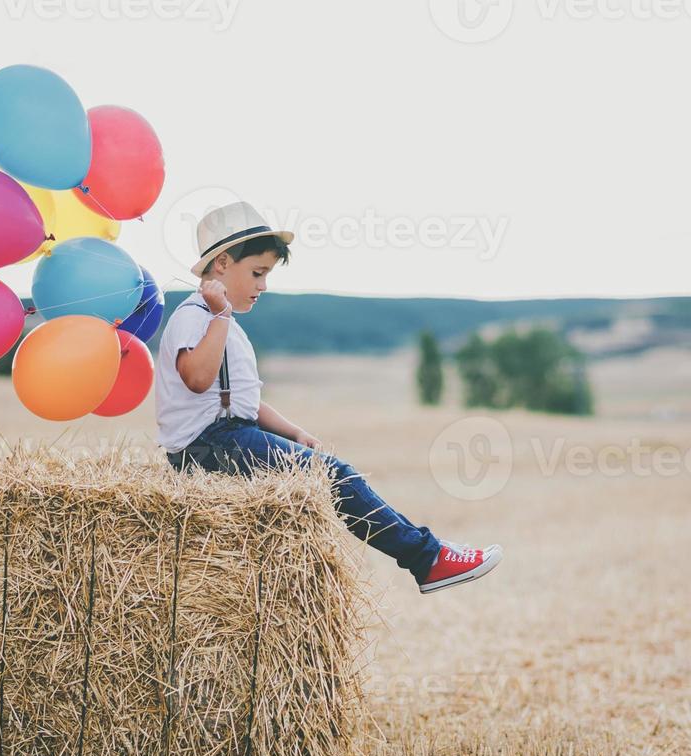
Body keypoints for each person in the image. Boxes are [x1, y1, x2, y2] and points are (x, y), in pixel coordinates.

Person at [155, 202, 502, 595]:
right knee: (334, 475)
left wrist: (293, 431)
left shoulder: (223, 322)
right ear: (221, 263)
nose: (263, 286)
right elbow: (199, 380)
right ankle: (427, 559)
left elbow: (240, 402)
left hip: (227, 437)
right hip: (209, 446)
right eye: (257, 273)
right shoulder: (197, 315)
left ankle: (427, 555)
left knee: (327, 474)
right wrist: (220, 316)